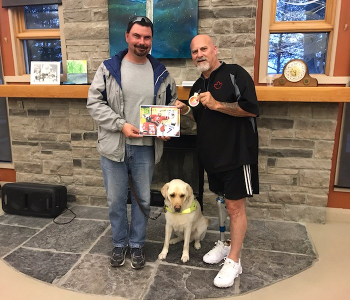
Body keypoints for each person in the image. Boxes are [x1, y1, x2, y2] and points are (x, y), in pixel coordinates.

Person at [87, 16, 177, 270]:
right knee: (116, 200)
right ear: (127, 36)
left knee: (143, 201)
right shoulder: (107, 69)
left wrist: (168, 124)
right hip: (114, 146)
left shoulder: (162, 73)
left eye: (146, 37)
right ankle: (119, 243)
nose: (141, 41)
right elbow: (94, 104)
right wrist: (120, 125)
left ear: (151, 40)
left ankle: (137, 245)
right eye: (137, 36)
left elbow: (171, 105)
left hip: (145, 149)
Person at [175, 35, 259, 288]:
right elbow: (200, 117)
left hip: (236, 153)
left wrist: (217, 104)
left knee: (235, 208)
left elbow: (251, 108)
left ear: (214, 50)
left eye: (203, 49)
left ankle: (234, 260)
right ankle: (225, 245)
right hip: (212, 155)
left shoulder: (235, 73)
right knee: (221, 202)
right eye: (194, 51)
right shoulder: (198, 85)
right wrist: (185, 110)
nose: (199, 54)